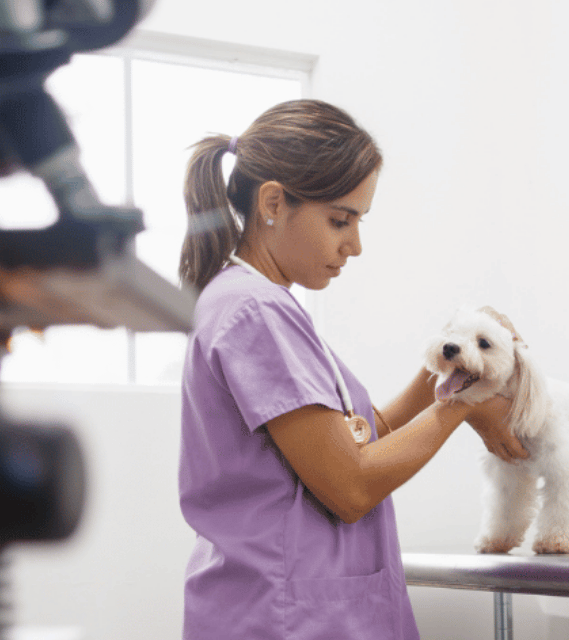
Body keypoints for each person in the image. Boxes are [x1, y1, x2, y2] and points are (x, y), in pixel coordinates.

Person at [177, 99, 528, 640]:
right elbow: (350, 485)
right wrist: (464, 407)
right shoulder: (256, 311)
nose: (355, 245)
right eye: (341, 220)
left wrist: (448, 369)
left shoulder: (249, 302)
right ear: (273, 202)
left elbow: (355, 445)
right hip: (287, 617)